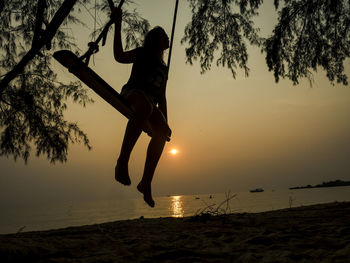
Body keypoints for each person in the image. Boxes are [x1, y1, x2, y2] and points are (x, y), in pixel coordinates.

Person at [111, 7, 171, 208]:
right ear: (156, 40)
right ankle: (122, 162)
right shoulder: (141, 53)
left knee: (163, 132)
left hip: (150, 105)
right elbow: (119, 56)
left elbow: (161, 97)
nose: (168, 38)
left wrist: (166, 122)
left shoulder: (163, 69)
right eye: (164, 36)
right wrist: (118, 24)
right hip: (132, 94)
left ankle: (146, 182)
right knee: (145, 106)